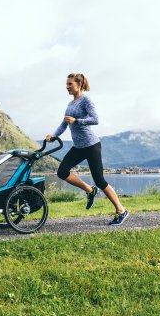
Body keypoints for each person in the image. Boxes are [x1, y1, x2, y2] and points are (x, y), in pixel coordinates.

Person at [45, 73, 129, 225]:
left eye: (70, 84)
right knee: (62, 172)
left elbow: (95, 119)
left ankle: (121, 210)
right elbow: (64, 124)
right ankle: (90, 190)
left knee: (100, 180)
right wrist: (53, 135)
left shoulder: (86, 100)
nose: (67, 87)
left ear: (79, 84)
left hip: (91, 145)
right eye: (66, 84)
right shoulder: (70, 105)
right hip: (78, 147)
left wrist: (77, 121)